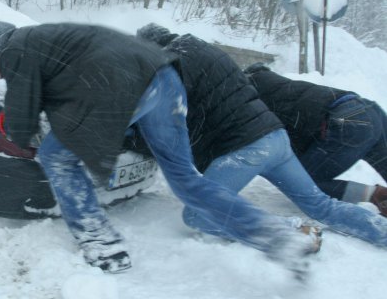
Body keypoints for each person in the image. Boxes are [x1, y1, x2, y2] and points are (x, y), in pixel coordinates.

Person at [0, 21, 319, 275]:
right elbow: (63, 93)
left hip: (123, 87)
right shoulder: (49, 41)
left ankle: (100, 242)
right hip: (164, 79)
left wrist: (2, 122)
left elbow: (23, 124)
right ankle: (277, 237)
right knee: (185, 180)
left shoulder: (17, 48)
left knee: (56, 156)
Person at [136, 23, 387, 250]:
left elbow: (169, 118)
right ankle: (381, 232)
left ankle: (289, 233)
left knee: (198, 214)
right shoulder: (210, 51)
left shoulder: (172, 66)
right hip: (275, 139)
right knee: (320, 204)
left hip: (244, 149)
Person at [244, 63, 387, 216]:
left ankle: (375, 195)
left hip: (348, 122)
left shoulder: (246, 96)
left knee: (300, 181)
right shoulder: (265, 81)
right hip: (366, 110)